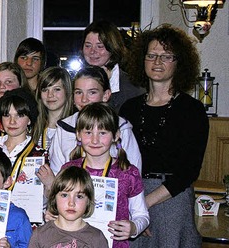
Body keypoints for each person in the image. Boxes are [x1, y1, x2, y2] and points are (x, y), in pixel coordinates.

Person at [119, 24, 209, 247]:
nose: (157, 62)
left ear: (179, 63)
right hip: (132, 195)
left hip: (172, 200)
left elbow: (188, 171)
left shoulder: (192, 110)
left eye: (166, 56)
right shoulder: (128, 108)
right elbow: (118, 161)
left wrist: (143, 204)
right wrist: (134, 207)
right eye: (151, 55)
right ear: (142, 60)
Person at [42, 103, 149, 248]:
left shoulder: (128, 173)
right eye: (88, 132)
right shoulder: (69, 169)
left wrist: (134, 228)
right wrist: (50, 214)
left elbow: (142, 215)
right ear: (78, 135)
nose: (95, 140)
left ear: (116, 135)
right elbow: (55, 208)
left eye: (102, 133)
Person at [47, 66, 141, 174]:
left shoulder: (121, 127)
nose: (84, 99)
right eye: (78, 92)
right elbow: (57, 172)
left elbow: (134, 173)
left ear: (106, 95)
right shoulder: (64, 127)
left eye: (92, 93)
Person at [28, 166, 108, 247]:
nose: (71, 203)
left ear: (88, 201)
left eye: (79, 196)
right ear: (54, 198)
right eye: (64, 195)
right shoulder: (40, 235)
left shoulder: (97, 238)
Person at [82, 20, 144, 112]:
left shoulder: (133, 89)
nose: (92, 51)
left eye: (100, 46)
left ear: (112, 48)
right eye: (88, 46)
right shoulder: (77, 82)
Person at [31, 67, 74, 150]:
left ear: (67, 91)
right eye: (45, 90)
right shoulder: (33, 127)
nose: (50, 95)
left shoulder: (75, 128)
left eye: (57, 89)